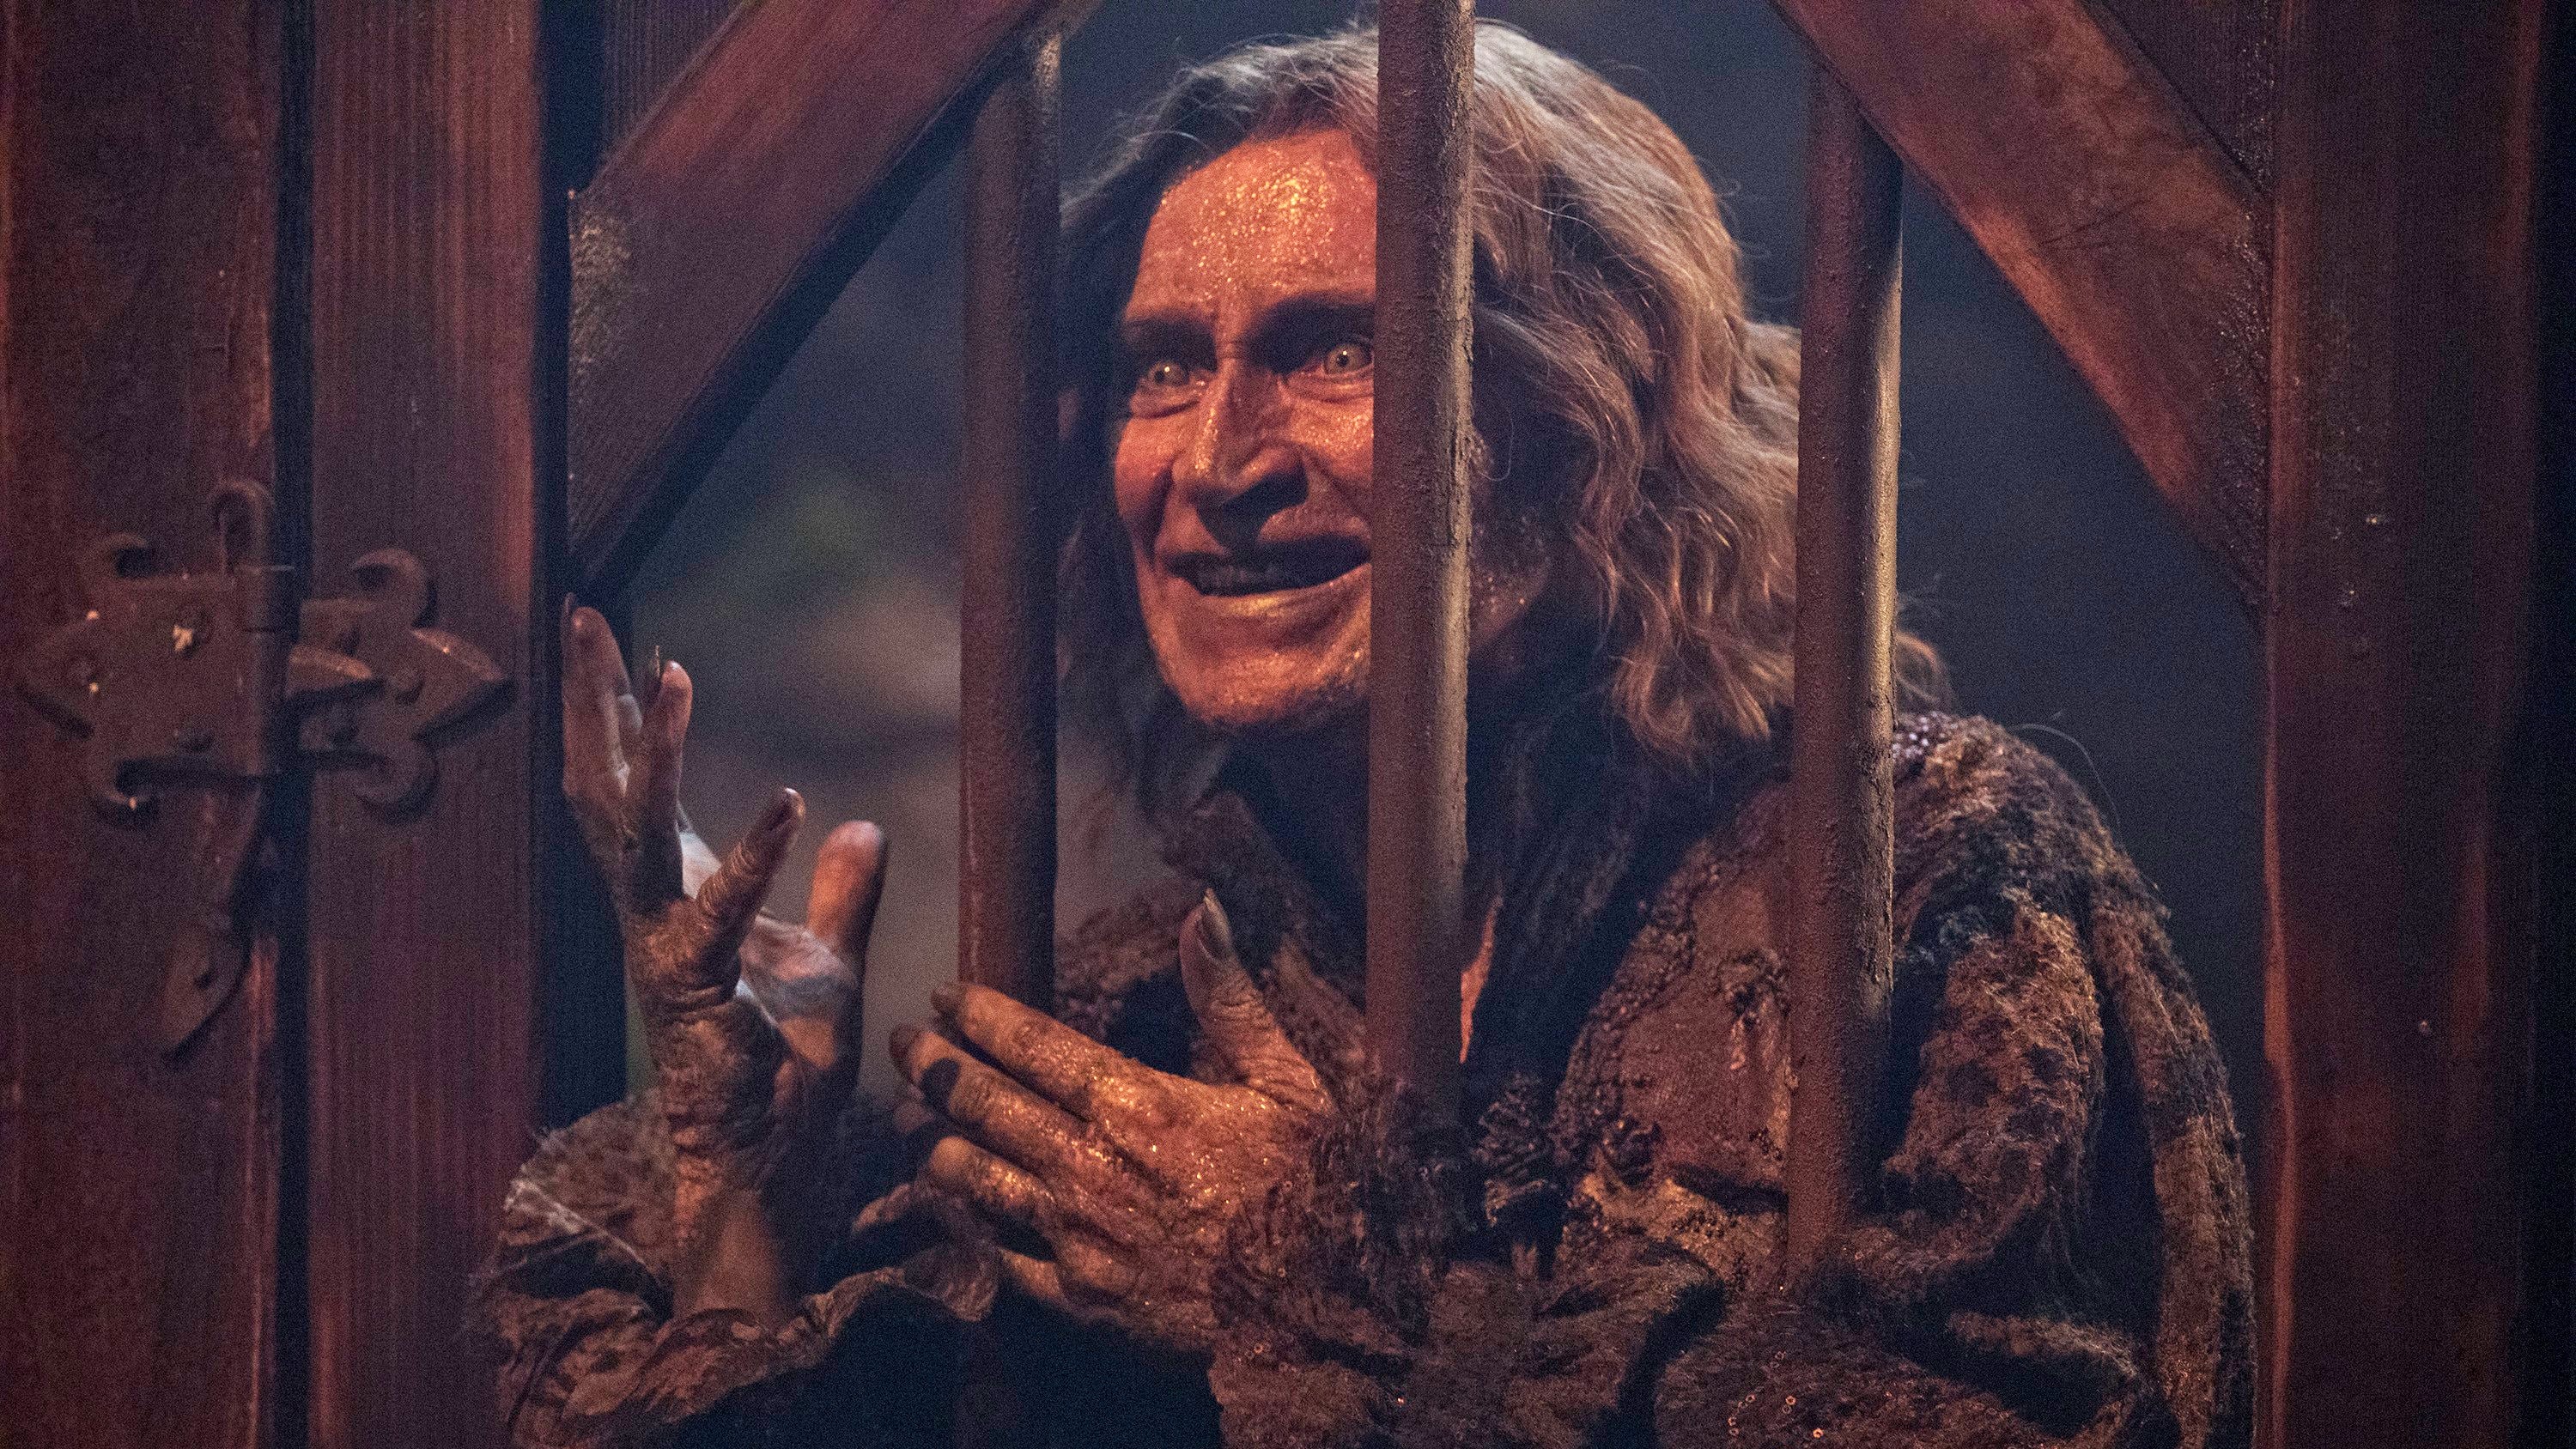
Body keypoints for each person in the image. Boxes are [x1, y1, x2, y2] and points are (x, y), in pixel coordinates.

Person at [475, 24, 2252, 1447]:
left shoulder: (1914, 874)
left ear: (1589, 416)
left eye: (1337, 350)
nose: (1221, 460)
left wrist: (1331, 1305)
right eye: (1164, 365)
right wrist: (745, 1199)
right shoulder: (1128, 1019)